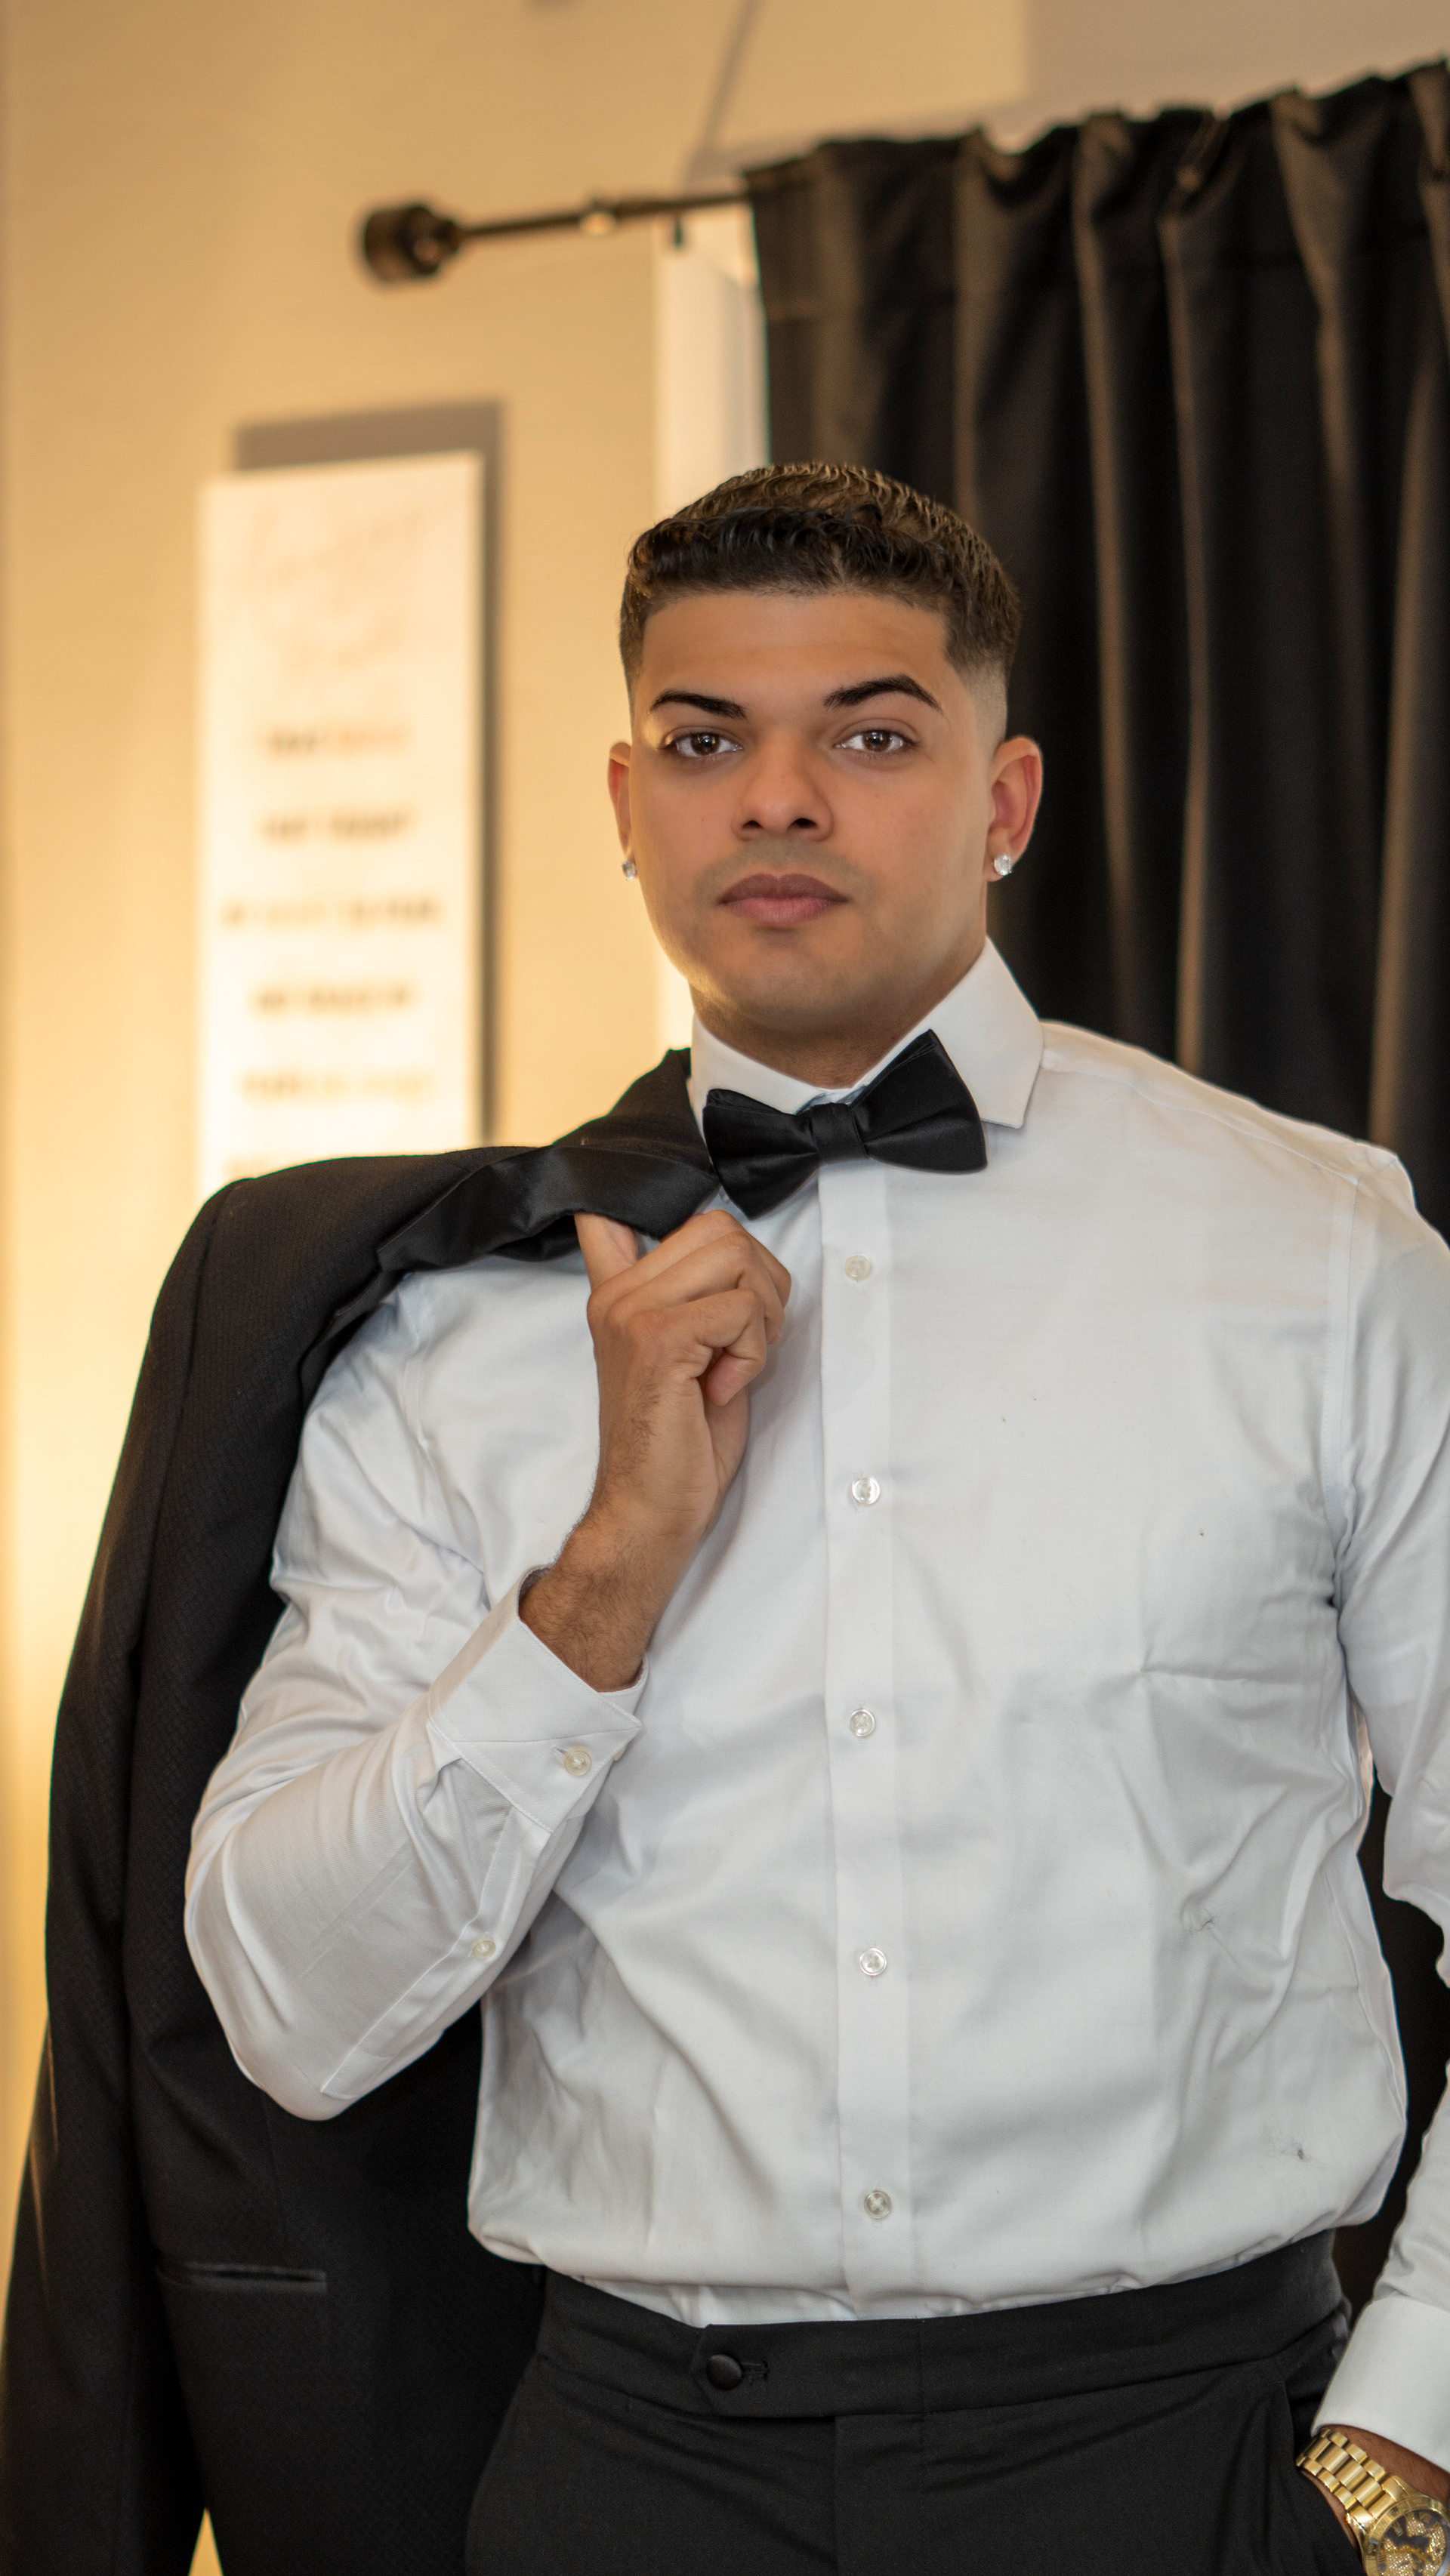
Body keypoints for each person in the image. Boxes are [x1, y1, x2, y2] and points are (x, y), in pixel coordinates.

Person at [186, 464, 1450, 2574]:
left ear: (1006, 800)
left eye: (870, 733)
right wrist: (604, 1577)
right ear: (625, 800)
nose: (776, 797)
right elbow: (291, 2013)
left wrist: (1405, 2461)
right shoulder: (444, 1327)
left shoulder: (1320, 1261)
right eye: (705, 741)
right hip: (628, 2479)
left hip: (1188, 2461)